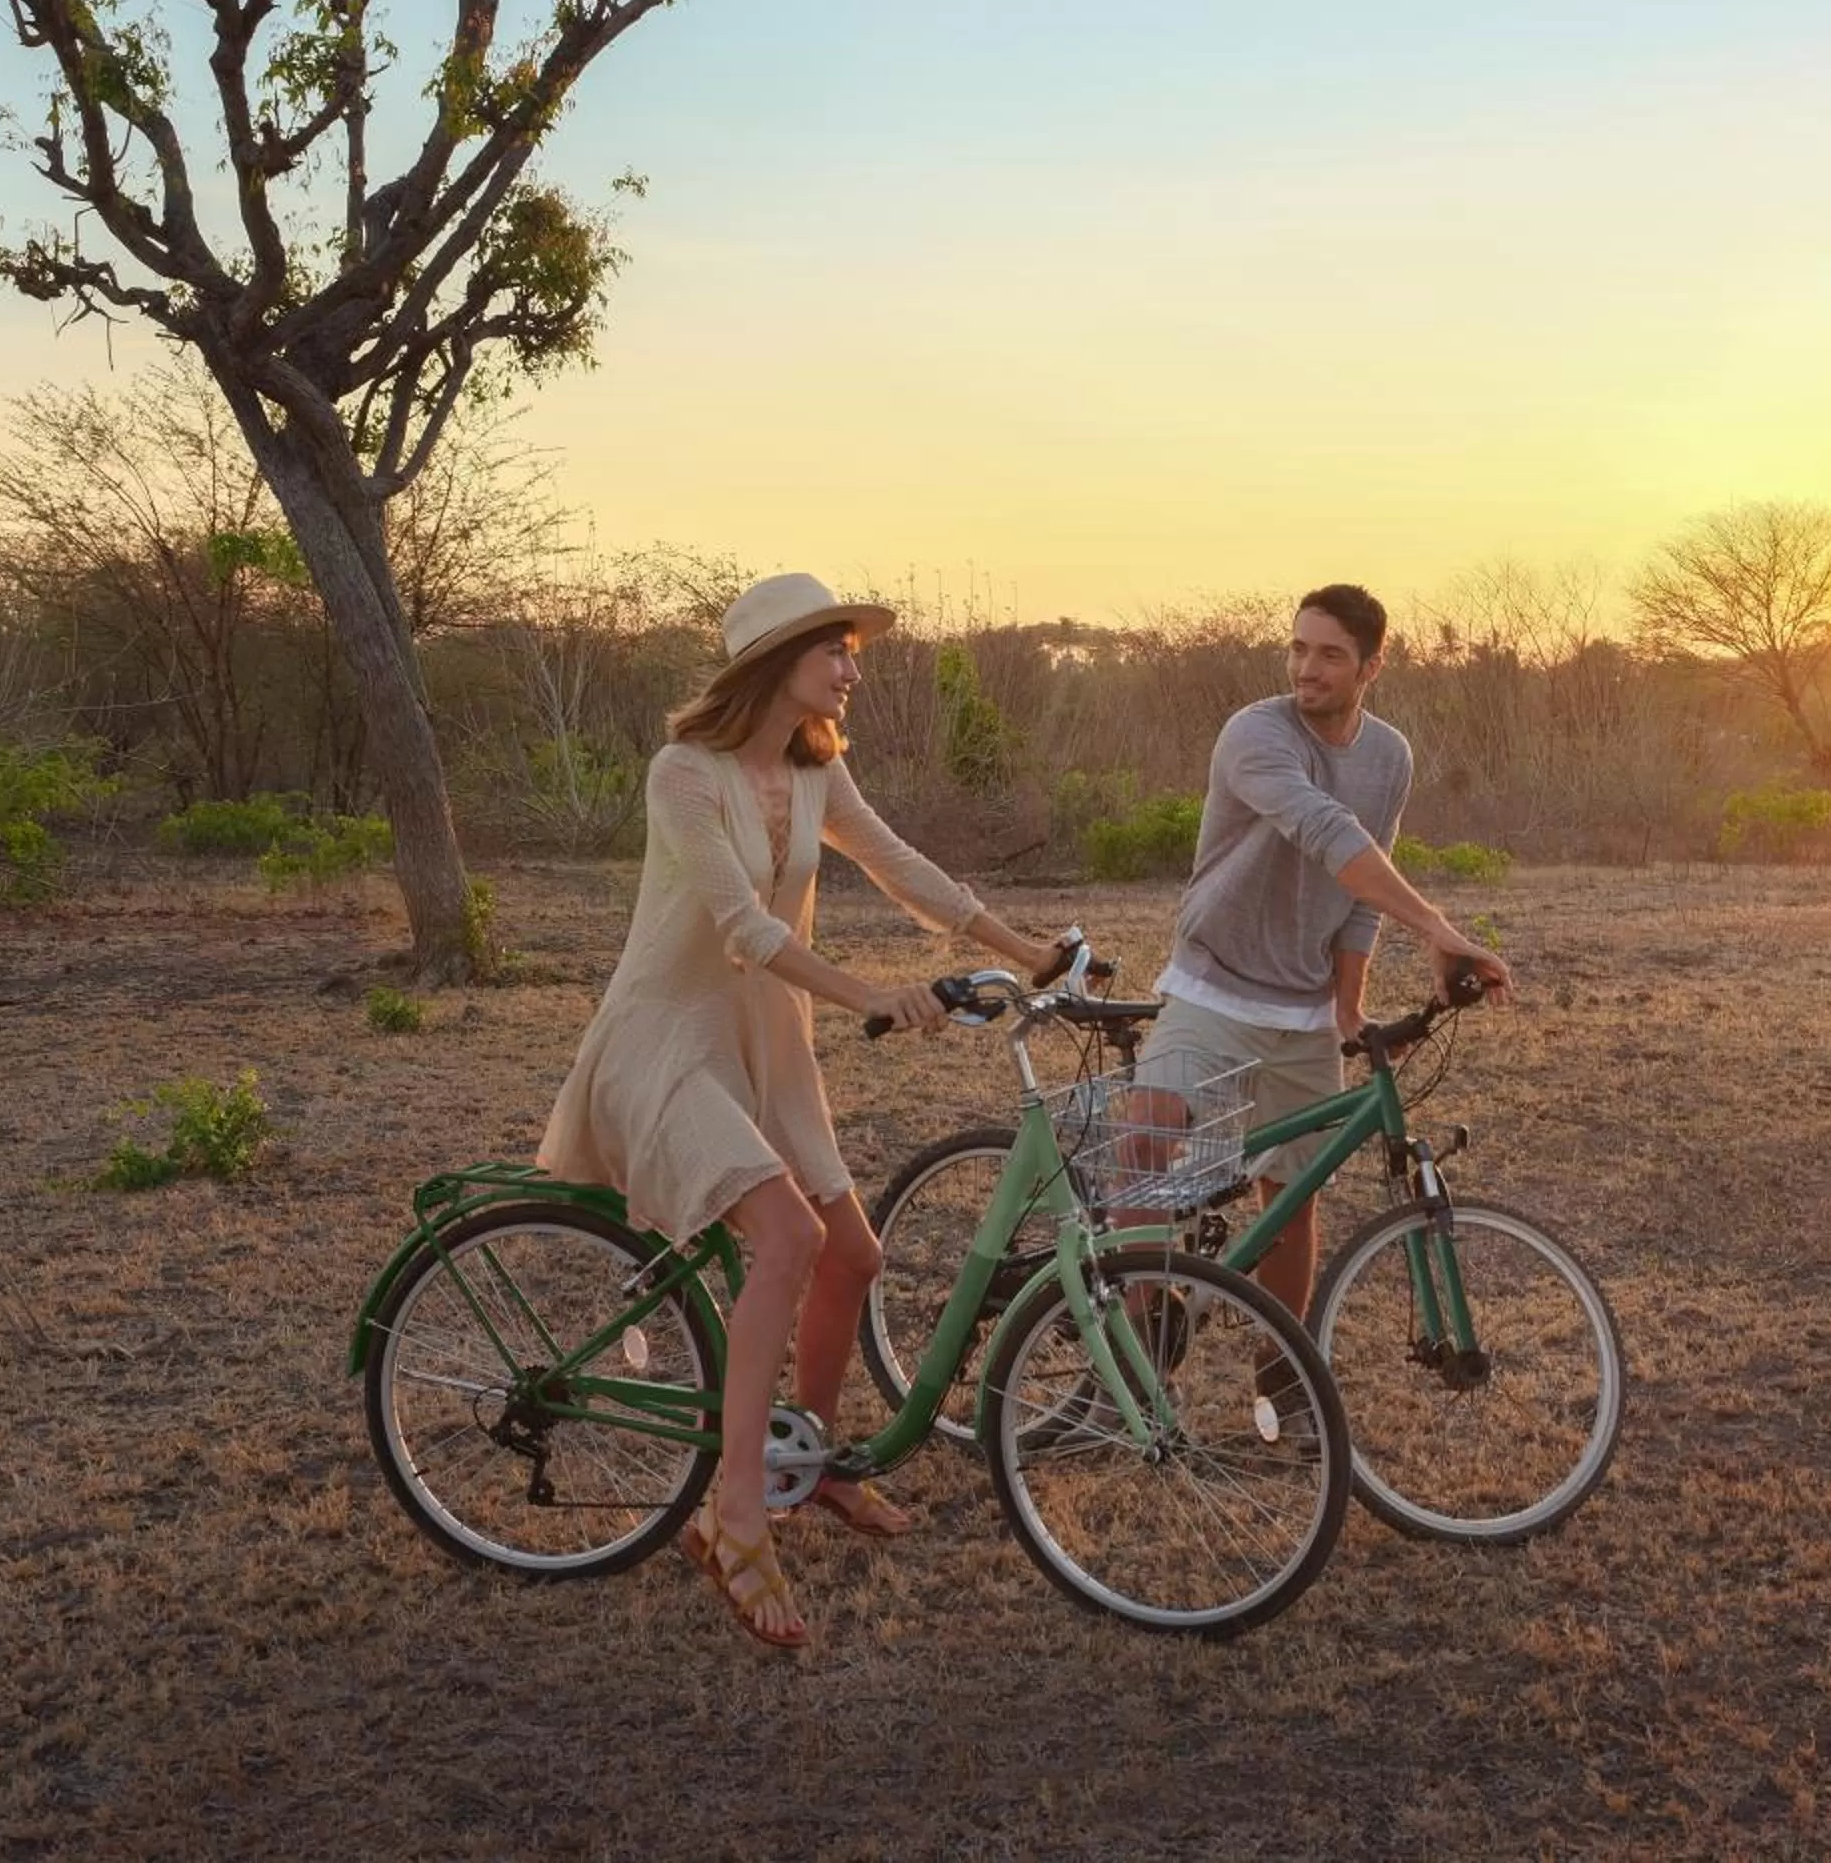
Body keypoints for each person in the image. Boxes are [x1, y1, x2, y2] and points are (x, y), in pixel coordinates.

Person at [538, 573, 1067, 1648]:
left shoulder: (816, 769)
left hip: (765, 1046)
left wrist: (1031, 952)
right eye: (836, 651)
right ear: (776, 664)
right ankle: (730, 1514)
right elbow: (741, 928)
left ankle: (805, 1463)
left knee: (852, 1259)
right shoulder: (682, 774)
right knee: (786, 1239)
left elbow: (899, 865)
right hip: (671, 1038)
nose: (853, 668)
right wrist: (872, 995)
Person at [1134, 584, 1513, 1429]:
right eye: (1299, 648)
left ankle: (1281, 1377)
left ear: (1373, 665)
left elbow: (1361, 893)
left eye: (1330, 654)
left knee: (1290, 1194)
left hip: (1302, 1005)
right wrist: (1443, 928)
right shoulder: (1256, 733)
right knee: (1144, 1144)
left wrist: (1349, 1006)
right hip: (1212, 980)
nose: (1307, 667)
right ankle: (1133, 1356)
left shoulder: (1390, 756)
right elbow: (1328, 836)